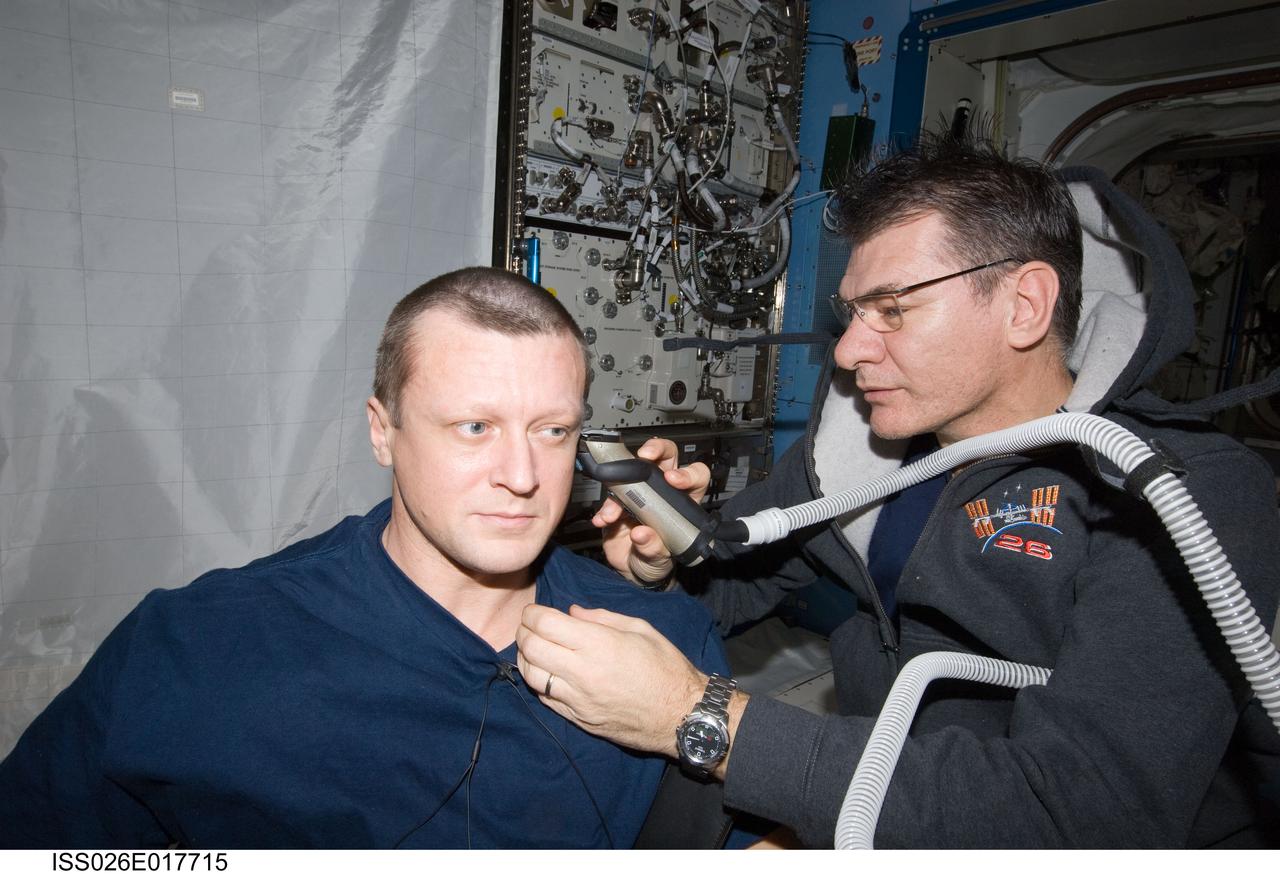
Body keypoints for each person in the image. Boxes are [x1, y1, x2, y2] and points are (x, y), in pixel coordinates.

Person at [516, 134, 1280, 848]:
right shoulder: (864, 456)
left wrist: (699, 719)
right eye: (852, 314)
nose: (848, 352)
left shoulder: (1179, 493)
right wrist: (659, 562)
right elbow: (727, 585)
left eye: (893, 309)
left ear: (1024, 306)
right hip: (875, 805)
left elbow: (1084, 814)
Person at [0, 266, 729, 849]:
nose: (522, 474)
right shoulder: (195, 649)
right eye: (474, 427)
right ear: (383, 432)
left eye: (553, 430)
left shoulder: (664, 653)